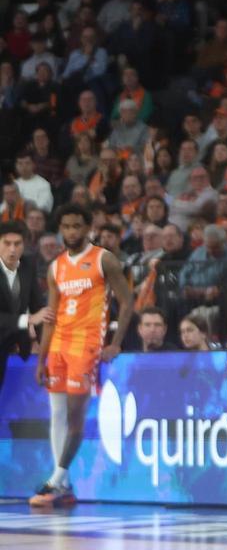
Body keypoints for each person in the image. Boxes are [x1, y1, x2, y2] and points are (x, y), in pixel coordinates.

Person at [30, 204, 134, 506]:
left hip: (86, 346)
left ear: (88, 227)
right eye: (66, 226)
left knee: (75, 416)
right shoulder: (55, 267)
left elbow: (127, 303)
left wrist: (115, 343)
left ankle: (57, 479)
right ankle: (61, 482)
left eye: (77, 226)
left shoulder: (104, 259)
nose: (71, 232)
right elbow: (51, 316)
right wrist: (41, 358)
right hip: (58, 346)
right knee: (57, 415)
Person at [0, 221, 49, 392]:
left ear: (24, 245)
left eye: (17, 244)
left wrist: (45, 347)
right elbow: (33, 316)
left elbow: (38, 308)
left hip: (19, 345)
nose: (12, 249)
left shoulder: (28, 265)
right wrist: (27, 319)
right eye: (7, 243)